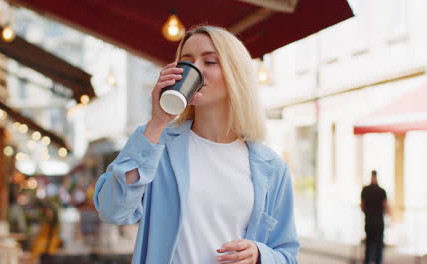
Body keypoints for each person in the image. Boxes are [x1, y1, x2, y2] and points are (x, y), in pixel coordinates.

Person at [94, 25, 299, 264]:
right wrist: (158, 122)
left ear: (235, 74)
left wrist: (259, 255)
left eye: (210, 61)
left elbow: (287, 255)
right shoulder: (154, 143)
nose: (196, 70)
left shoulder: (271, 167)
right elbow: (112, 210)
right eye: (187, 62)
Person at [361, 170, 389, 264]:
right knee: (378, 246)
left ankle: (368, 261)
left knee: (369, 244)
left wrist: (367, 212)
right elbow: (385, 207)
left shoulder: (365, 190)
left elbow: (362, 206)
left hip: (369, 221)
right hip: (379, 221)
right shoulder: (382, 191)